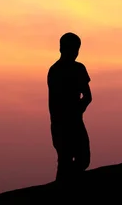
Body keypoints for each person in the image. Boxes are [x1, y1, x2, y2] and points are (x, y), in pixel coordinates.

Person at [47, 32, 92, 182]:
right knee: (65, 160)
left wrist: (78, 110)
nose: (75, 53)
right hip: (61, 124)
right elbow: (55, 102)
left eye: (76, 49)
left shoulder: (79, 69)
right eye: (72, 49)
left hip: (75, 122)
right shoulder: (55, 71)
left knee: (83, 159)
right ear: (61, 48)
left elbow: (88, 96)